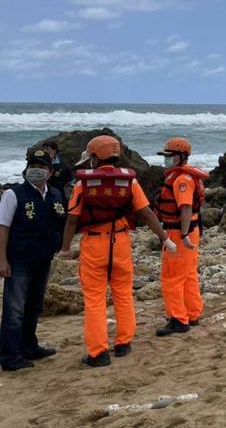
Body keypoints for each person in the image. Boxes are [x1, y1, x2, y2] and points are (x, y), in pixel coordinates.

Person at [59, 135, 176, 367]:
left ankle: (98, 353)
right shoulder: (129, 182)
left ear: (94, 156)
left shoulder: (83, 184)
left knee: (94, 299)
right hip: (121, 244)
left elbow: (72, 220)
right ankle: (123, 343)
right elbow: (146, 213)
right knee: (123, 294)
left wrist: (65, 248)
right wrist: (164, 238)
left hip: (94, 245)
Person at [0, 149, 66, 371]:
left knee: (34, 306)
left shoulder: (56, 194)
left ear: (50, 172)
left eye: (42, 166)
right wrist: (2, 260)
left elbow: (62, 223)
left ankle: (29, 346)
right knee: (14, 309)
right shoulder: (13, 195)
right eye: (32, 165)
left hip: (43, 259)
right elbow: (3, 228)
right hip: (19, 260)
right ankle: (9, 356)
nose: (36, 170)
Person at [154, 137, 208, 337]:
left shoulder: (181, 180)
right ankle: (192, 313)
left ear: (181, 157)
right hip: (191, 230)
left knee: (172, 277)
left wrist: (183, 234)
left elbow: (185, 208)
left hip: (180, 233)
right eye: (165, 156)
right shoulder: (185, 177)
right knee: (188, 274)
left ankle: (178, 319)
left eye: (170, 156)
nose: (167, 159)